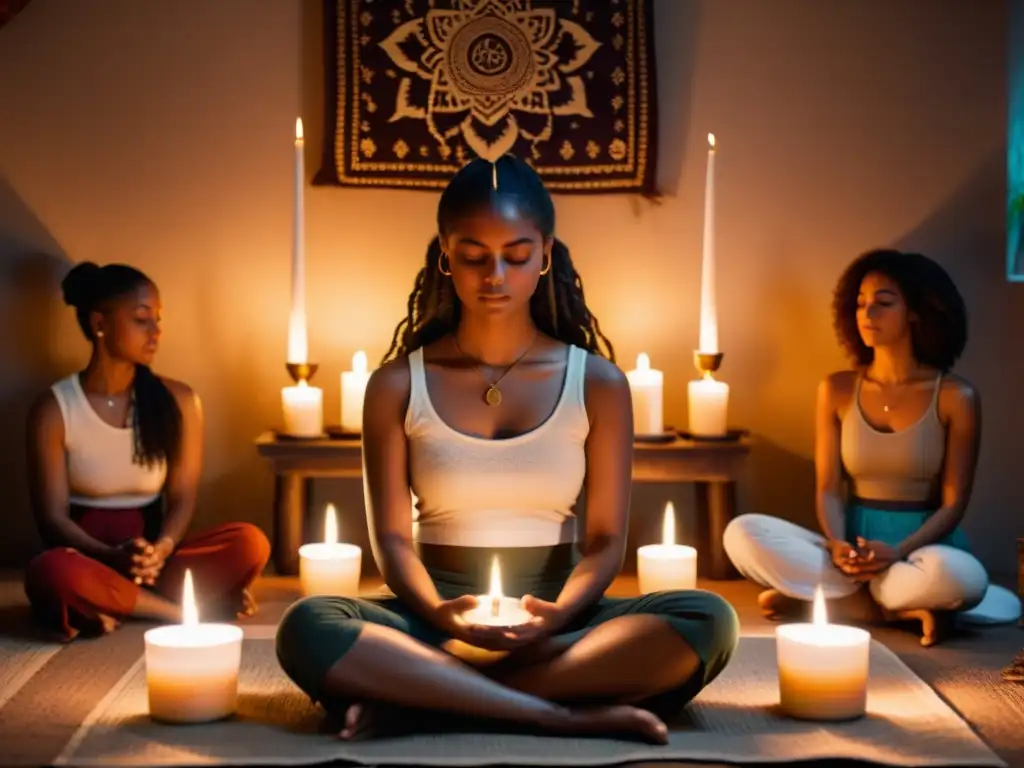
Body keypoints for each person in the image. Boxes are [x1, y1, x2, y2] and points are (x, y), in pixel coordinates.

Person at [276, 156, 739, 743]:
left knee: (708, 619)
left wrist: (560, 616)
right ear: (446, 254)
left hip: (557, 620)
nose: (495, 274)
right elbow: (392, 539)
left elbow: (604, 542)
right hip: (432, 617)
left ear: (545, 254)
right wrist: (441, 615)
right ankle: (553, 711)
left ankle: (423, 697)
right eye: (473, 256)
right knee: (308, 625)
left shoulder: (597, 383)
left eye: (516, 255)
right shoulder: (395, 384)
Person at [724, 249, 1021, 647]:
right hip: (847, 553)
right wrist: (836, 544)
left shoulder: (955, 396)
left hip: (921, 551)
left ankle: (842, 603)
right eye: (861, 304)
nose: (867, 314)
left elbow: (953, 504)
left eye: (883, 303)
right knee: (742, 532)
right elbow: (828, 488)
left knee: (961, 579)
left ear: (917, 311)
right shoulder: (837, 389)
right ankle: (888, 608)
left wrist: (897, 551)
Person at [24, 262, 271, 640]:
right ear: (99, 324)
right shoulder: (55, 408)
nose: (156, 332)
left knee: (249, 542)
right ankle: (173, 610)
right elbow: (52, 520)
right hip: (87, 558)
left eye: (158, 319)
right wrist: (110, 557)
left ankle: (117, 602)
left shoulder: (180, 400)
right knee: (50, 573)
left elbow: (183, 497)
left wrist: (161, 549)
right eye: (142, 319)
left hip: (156, 563)